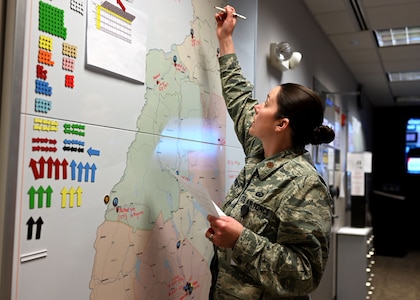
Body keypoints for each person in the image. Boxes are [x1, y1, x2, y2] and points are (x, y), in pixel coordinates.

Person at [205, 5, 336, 300]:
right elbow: (239, 95)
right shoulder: (258, 151)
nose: (256, 107)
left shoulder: (305, 186)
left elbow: (306, 274)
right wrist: (226, 39)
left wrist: (240, 240)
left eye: (265, 102)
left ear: (281, 124)